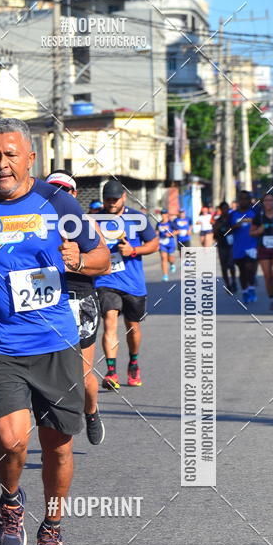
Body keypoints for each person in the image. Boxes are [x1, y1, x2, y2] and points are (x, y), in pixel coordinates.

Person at [0, 118, 110, 545]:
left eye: (10, 155)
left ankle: (52, 531)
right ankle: (11, 501)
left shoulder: (59, 202)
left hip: (56, 342)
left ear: (30, 158)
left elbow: (102, 257)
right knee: (10, 439)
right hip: (0, 342)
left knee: (57, 446)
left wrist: (80, 260)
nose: (1, 164)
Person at [46, 170, 106, 445]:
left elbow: (103, 263)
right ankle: (55, 438)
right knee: (47, 375)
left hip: (79, 298)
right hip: (46, 300)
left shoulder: (84, 225)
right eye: (51, 189)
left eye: (63, 190)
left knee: (82, 376)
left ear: (74, 195)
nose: (57, 196)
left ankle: (91, 411)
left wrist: (79, 260)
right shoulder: (33, 222)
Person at [94, 180, 159, 389]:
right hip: (106, 280)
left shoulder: (136, 218)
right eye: (107, 200)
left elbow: (154, 244)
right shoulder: (95, 219)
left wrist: (133, 251)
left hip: (133, 283)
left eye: (114, 200)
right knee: (109, 320)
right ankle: (111, 372)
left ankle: (133, 362)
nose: (111, 204)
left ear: (123, 197)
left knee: (133, 327)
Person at [229, 190, 258, 304]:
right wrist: (236, 225)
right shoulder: (233, 214)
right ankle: (245, 291)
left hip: (252, 246)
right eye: (241, 198)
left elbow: (260, 227)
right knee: (242, 270)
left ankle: (251, 289)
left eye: (246, 198)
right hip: (238, 247)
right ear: (238, 201)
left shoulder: (254, 213)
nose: (243, 201)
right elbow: (228, 230)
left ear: (250, 200)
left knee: (250, 269)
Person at [212, 201, 237, 293]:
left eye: (227, 208)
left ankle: (234, 281)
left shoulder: (232, 219)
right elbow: (214, 233)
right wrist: (218, 228)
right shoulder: (218, 220)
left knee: (231, 264)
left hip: (231, 245)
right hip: (222, 245)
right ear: (221, 210)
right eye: (224, 209)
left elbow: (236, 229)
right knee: (224, 267)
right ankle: (228, 285)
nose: (226, 210)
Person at [157, 208, 177, 281]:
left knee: (170, 258)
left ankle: (172, 264)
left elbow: (177, 231)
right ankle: (165, 275)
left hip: (170, 243)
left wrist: (170, 234)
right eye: (162, 214)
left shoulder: (170, 223)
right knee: (163, 258)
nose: (163, 215)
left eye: (164, 214)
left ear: (167, 215)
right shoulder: (158, 223)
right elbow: (156, 232)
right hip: (162, 243)